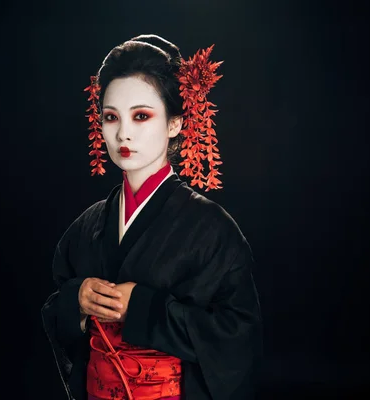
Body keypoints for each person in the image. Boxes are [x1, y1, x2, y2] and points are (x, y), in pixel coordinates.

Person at [41, 34, 263, 400]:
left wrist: (144, 308)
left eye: (141, 116)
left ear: (175, 123)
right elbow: (55, 309)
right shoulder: (88, 225)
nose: (123, 133)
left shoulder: (213, 230)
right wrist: (75, 300)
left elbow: (238, 336)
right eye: (111, 117)